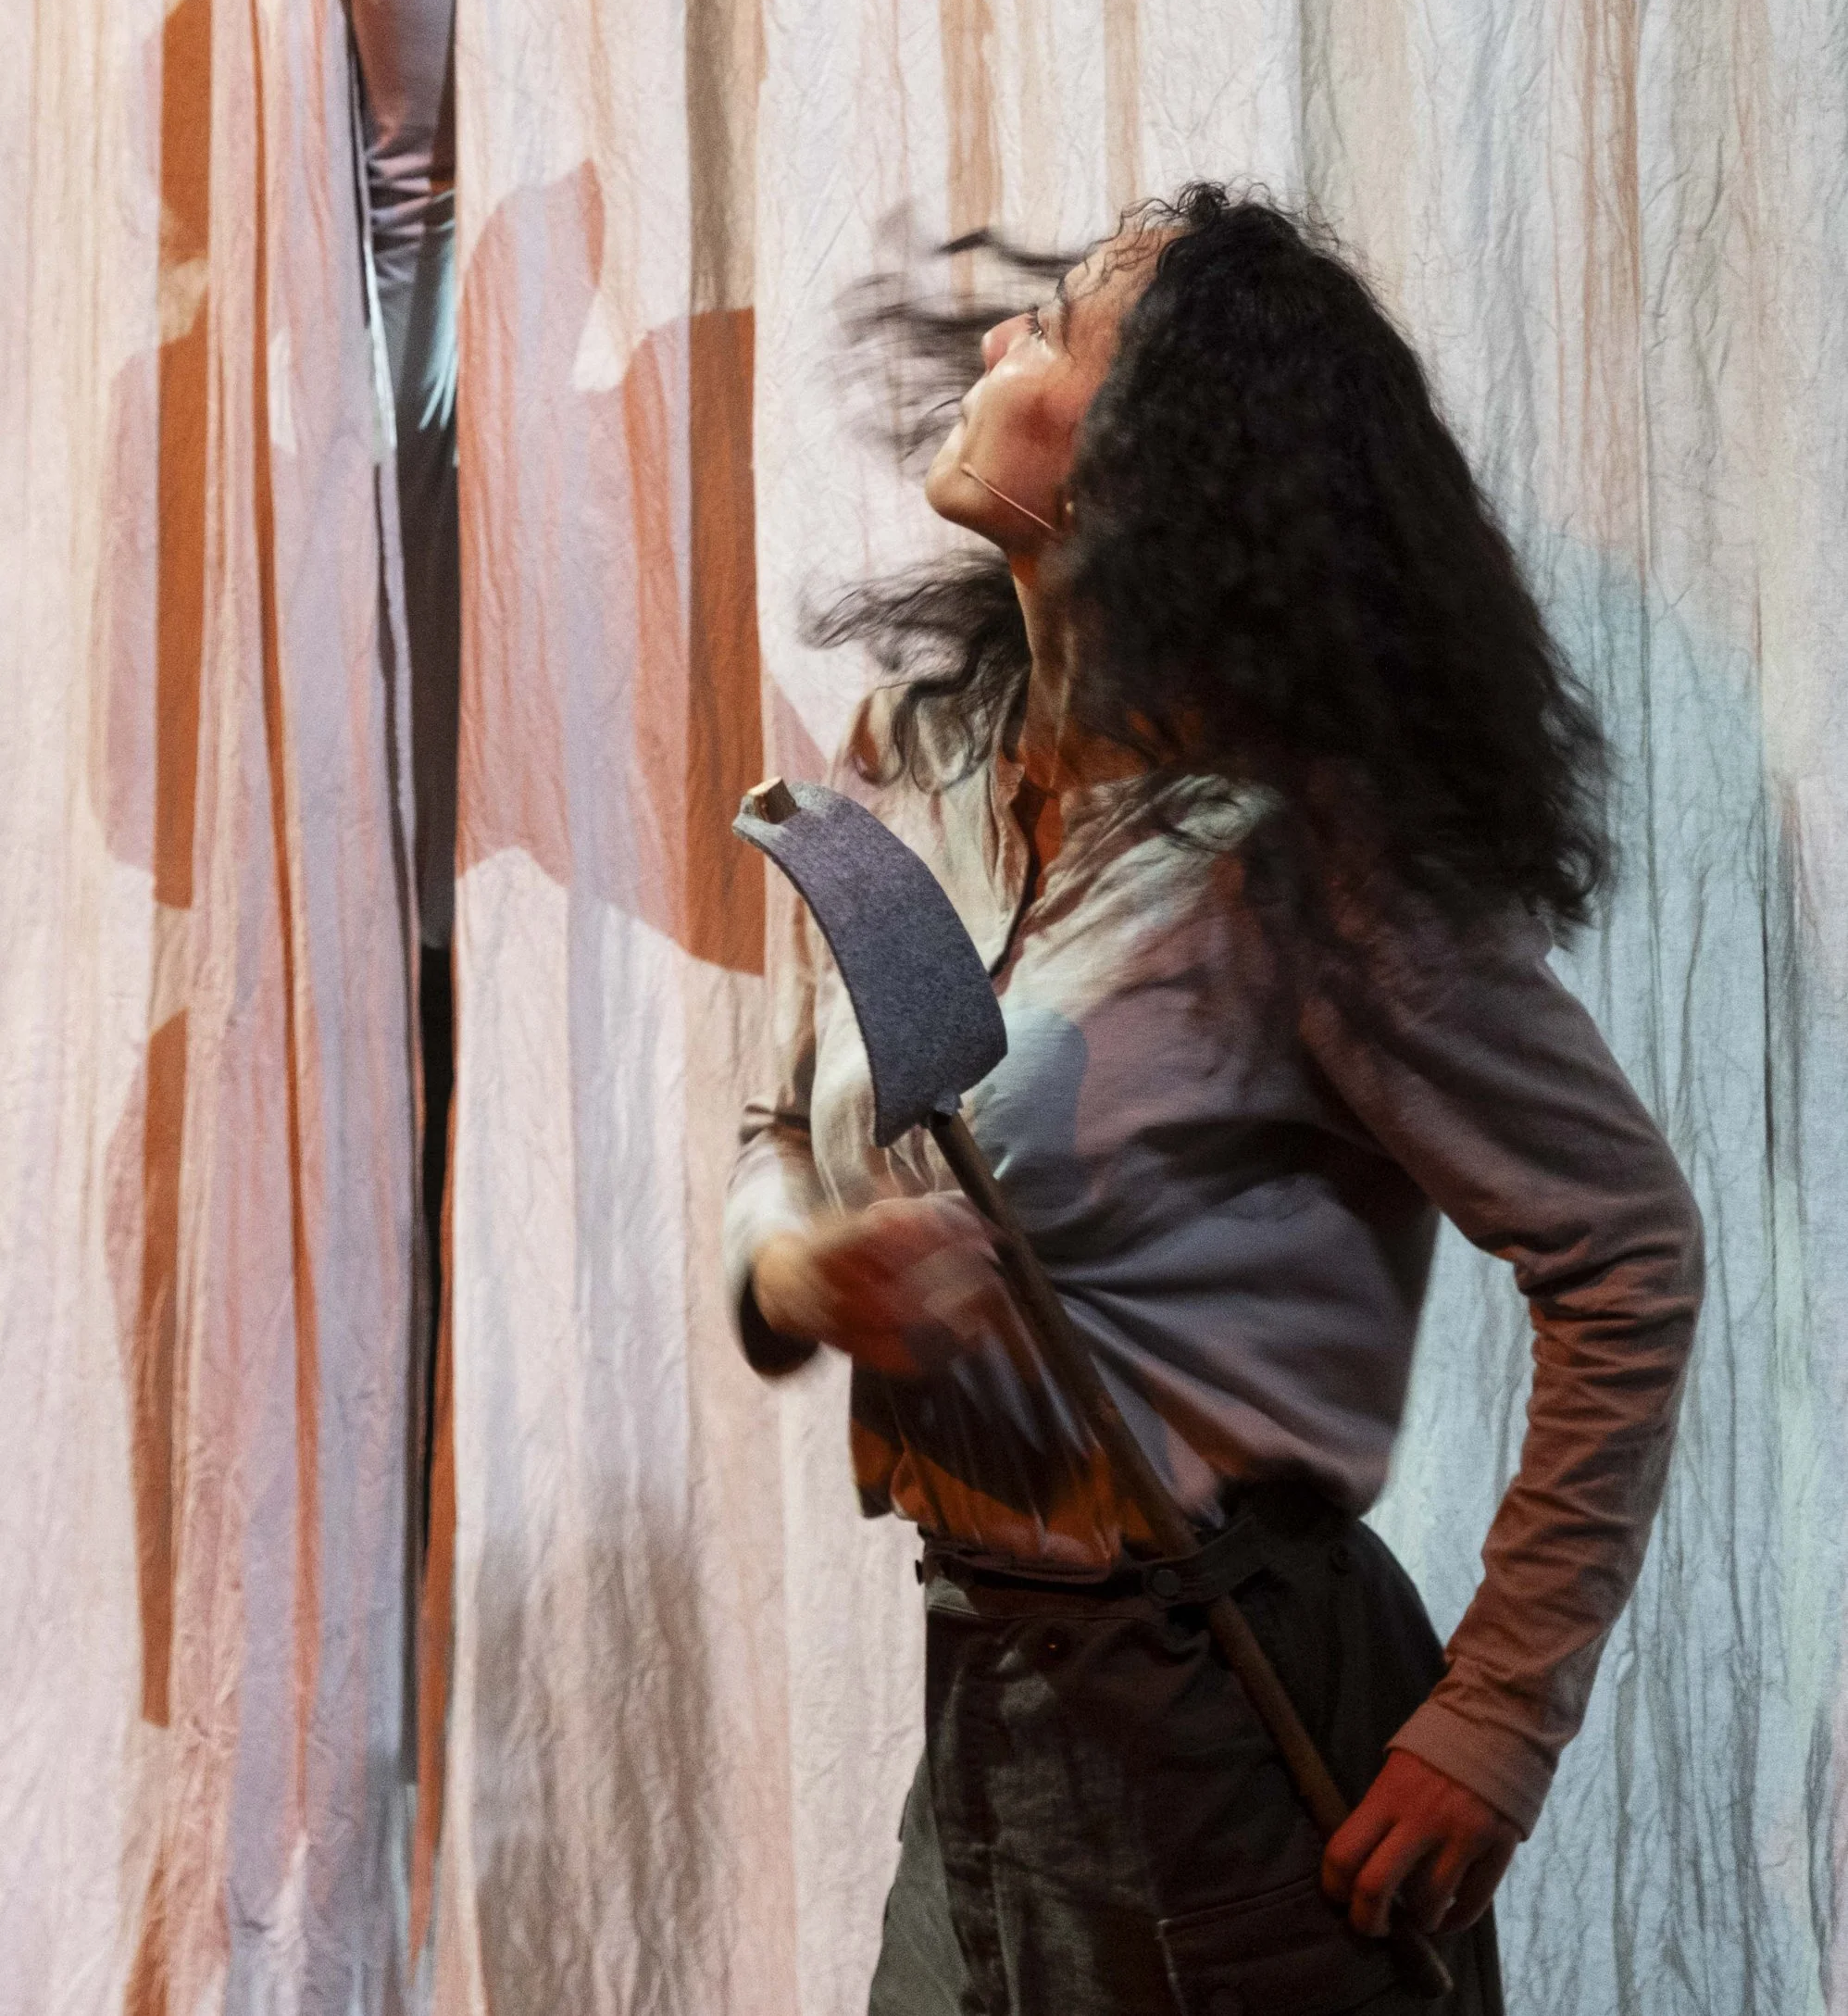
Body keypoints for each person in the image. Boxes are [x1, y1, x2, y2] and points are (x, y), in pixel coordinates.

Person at [725, 198, 1704, 2013]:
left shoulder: (1304, 863)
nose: (994, 349)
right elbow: (779, 1131)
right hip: (975, 1739)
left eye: (1058, 333)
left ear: (1148, 475)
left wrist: (1493, 1718)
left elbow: (1620, 1248)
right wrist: (800, 1278)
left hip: (1233, 1758)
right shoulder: (913, 760)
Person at [308, 0, 460, 1423]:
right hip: (348, 962)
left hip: (456, 984)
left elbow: (412, 174)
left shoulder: (423, 341)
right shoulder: (299, 370)